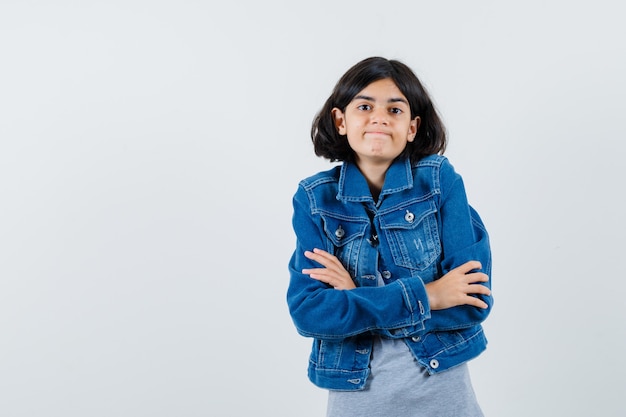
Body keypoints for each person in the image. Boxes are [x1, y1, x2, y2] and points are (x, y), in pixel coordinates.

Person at [286, 56, 493, 417]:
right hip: (357, 396)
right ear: (340, 121)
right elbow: (309, 313)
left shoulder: (441, 181)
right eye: (364, 106)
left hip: (443, 391)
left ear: (412, 127)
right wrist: (429, 295)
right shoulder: (314, 200)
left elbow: (473, 300)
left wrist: (356, 299)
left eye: (395, 109)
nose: (379, 117)